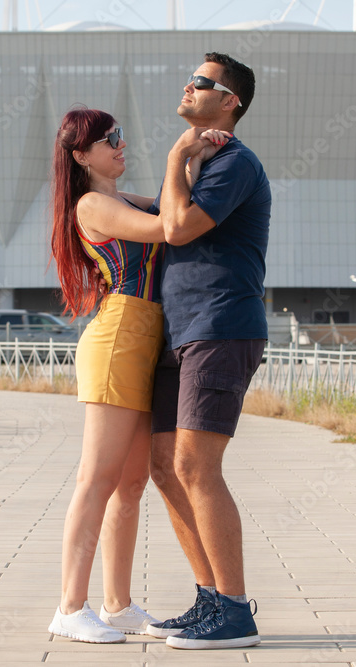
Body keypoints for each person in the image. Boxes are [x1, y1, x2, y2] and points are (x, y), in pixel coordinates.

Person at [47, 108, 227, 643]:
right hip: (120, 338)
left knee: (130, 484)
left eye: (122, 136)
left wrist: (199, 155)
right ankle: (69, 608)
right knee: (96, 479)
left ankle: (118, 606)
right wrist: (179, 154)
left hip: (148, 339)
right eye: (110, 140)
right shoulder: (94, 203)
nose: (121, 146)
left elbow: (180, 203)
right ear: (81, 155)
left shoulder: (122, 197)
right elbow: (168, 228)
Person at [143, 53, 272, 650]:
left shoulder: (234, 163)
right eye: (189, 76)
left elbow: (177, 228)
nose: (188, 84)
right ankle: (208, 597)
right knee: (166, 469)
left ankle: (235, 609)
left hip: (220, 327)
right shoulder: (206, 164)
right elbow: (166, 217)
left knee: (197, 467)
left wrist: (176, 157)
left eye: (202, 82)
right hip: (182, 332)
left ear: (231, 102)